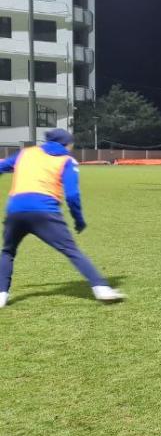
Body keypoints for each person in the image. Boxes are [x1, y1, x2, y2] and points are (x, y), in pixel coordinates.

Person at [0, 129, 124, 307]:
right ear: (67, 144)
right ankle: (101, 288)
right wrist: (78, 219)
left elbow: (2, 166)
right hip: (45, 211)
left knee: (8, 252)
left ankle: (1, 295)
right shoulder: (67, 160)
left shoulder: (26, 153)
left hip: (15, 210)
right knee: (71, 250)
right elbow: (72, 195)